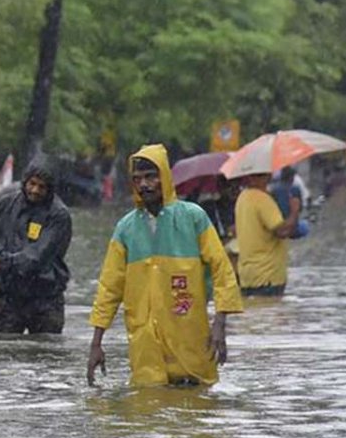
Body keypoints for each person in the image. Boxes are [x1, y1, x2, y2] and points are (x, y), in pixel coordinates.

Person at [87, 145, 243, 388]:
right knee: (149, 408)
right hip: (145, 344)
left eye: (151, 176)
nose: (144, 184)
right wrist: (96, 343)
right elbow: (109, 287)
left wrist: (220, 324)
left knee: (198, 409)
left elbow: (222, 269)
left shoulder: (194, 217)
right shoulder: (125, 229)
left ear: (165, 177)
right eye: (137, 179)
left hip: (189, 337)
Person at [0, 164, 73, 334]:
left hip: (45, 302)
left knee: (45, 355)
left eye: (42, 187)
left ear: (50, 189)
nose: (34, 190)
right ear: (24, 182)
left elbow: (37, 257)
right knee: (1, 352)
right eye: (32, 184)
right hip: (8, 299)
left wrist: (0, 262)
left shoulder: (59, 215)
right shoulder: (5, 205)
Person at [236, 169, 302, 297]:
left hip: (247, 275)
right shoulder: (262, 200)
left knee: (254, 314)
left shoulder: (242, 197)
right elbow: (281, 231)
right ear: (267, 177)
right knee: (272, 313)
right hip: (268, 275)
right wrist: (295, 211)